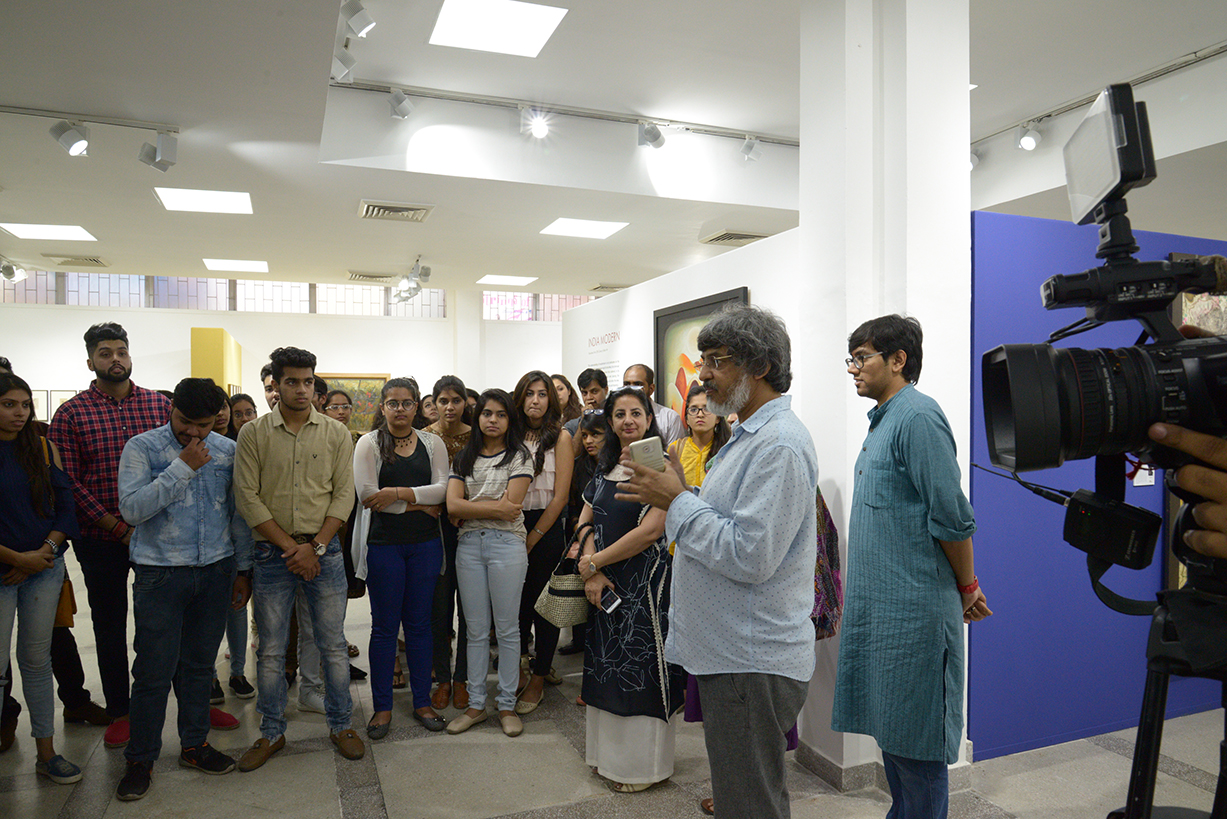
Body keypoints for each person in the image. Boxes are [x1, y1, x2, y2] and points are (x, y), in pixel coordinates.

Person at [616, 305, 819, 817]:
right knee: (743, 796)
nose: (702, 373)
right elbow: (729, 522)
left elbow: (750, 554)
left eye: (716, 360)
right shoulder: (749, 435)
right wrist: (681, 491)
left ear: (761, 366)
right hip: (734, 655)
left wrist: (676, 502)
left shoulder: (778, 446)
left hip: (750, 660)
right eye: (703, 359)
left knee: (749, 804)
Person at [831, 314, 991, 819]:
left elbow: (952, 519)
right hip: (884, 616)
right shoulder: (885, 420)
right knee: (895, 740)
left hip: (914, 617)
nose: (853, 368)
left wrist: (967, 585)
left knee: (917, 748)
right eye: (851, 358)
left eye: (862, 357)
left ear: (898, 360)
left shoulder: (918, 417)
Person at [115, 378, 255, 800]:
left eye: (204, 425)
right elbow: (132, 510)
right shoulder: (142, 448)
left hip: (215, 571)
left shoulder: (227, 451)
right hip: (160, 574)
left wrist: (243, 570)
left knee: (198, 667)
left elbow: (238, 515)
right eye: (184, 422)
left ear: (217, 419)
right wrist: (182, 466)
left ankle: (194, 745)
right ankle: (140, 759)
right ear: (171, 408)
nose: (193, 433)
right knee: (153, 671)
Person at [233, 346, 364, 770]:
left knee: (332, 646)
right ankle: (271, 731)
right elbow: (247, 497)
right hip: (273, 555)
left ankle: (341, 724)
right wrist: (292, 548)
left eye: (308, 381)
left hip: (324, 552)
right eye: (292, 382)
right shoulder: (254, 433)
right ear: (276, 384)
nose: (302, 389)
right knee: (271, 650)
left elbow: (344, 495)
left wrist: (316, 546)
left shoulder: (335, 433)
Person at [46, 322, 172, 748]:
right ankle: (121, 708)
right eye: (105, 353)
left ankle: (179, 698)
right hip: (100, 540)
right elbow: (67, 482)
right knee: (109, 623)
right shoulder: (71, 414)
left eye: (121, 351)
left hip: (155, 534)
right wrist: (116, 527)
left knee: (163, 621)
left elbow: (173, 466)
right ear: (90, 362)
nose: (115, 359)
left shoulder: (158, 405)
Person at [570, 386, 684, 793]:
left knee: (640, 672)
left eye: (636, 413)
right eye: (619, 414)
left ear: (650, 419)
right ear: (610, 422)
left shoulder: (662, 468)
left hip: (644, 588)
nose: (628, 421)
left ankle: (640, 769)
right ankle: (607, 759)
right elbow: (584, 520)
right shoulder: (603, 467)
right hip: (602, 587)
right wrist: (591, 570)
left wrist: (595, 562)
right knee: (604, 668)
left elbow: (651, 531)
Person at [354, 378, 450, 736]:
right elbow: (367, 496)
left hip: (426, 545)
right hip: (384, 546)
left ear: (416, 406)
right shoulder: (368, 443)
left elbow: (442, 490)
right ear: (382, 407)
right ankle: (382, 708)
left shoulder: (433, 443)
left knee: (420, 625)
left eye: (407, 403)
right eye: (392, 403)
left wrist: (395, 493)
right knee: (384, 628)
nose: (400, 409)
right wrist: (417, 504)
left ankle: (422, 701)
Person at [0, 372, 83, 784]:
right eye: (8, 405)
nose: (20, 413)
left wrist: (44, 552)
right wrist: (18, 558)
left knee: (36, 660)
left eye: (25, 405)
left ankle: (47, 753)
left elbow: (66, 507)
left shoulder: (43, 447)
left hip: (45, 568)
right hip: (6, 570)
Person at [445, 389, 533, 738]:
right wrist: (494, 507)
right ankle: (476, 705)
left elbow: (513, 507)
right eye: (486, 413)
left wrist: (471, 508)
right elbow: (452, 505)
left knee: (508, 629)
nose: (492, 420)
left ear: (510, 419)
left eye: (500, 414)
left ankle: (507, 704)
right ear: (477, 416)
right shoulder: (463, 457)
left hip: (507, 544)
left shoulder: (519, 456)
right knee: (475, 630)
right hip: (468, 546)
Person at [512, 371, 574, 715]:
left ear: (551, 399)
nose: (535, 400)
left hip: (546, 528)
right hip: (511, 522)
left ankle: (539, 676)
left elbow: (560, 496)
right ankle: (520, 667)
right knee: (516, 604)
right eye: (529, 394)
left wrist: (533, 537)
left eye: (542, 394)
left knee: (545, 606)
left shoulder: (561, 437)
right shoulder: (509, 434)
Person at [425, 376, 472, 711]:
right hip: (435, 530)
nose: (450, 407)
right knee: (439, 610)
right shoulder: (425, 437)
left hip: (471, 525)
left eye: (456, 400)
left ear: (466, 402)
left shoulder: (477, 436)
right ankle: (442, 678)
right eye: (443, 401)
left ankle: (462, 679)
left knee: (470, 610)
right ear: (434, 403)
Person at [559, 410, 606, 661]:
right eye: (585, 435)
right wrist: (583, 534)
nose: (589, 441)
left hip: (613, 538)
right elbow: (574, 508)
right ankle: (580, 641)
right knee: (581, 590)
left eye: (595, 435)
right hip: (583, 536)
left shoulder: (618, 465)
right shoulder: (579, 466)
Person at [666, 383, 731, 492]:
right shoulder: (676, 449)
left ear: (718, 418)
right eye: (693, 409)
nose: (700, 414)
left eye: (707, 409)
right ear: (687, 419)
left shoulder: (727, 449)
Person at [622, 364, 685, 446]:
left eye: (637, 384)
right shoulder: (617, 417)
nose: (631, 389)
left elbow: (674, 453)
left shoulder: (670, 418)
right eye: (627, 384)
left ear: (651, 389)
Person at [563, 368, 608, 438]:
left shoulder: (615, 419)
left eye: (594, 391)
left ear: (606, 390)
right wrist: (583, 422)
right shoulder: (572, 426)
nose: (589, 397)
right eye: (584, 393)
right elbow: (573, 445)